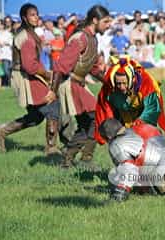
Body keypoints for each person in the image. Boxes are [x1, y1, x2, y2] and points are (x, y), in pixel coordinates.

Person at [0, 3, 60, 155]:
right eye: (32, 15)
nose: (36, 17)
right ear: (24, 17)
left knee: (35, 117)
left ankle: (0, 133)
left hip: (25, 75)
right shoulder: (27, 37)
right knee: (52, 104)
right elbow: (30, 66)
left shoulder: (27, 33)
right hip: (26, 77)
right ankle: (52, 148)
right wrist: (48, 74)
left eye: (37, 14)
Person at [51, 5, 111, 169]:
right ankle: (85, 159)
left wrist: (109, 82)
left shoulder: (92, 38)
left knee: (88, 123)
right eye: (106, 22)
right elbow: (60, 66)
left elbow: (90, 66)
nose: (108, 25)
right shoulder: (80, 38)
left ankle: (67, 160)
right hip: (70, 84)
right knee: (95, 119)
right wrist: (52, 92)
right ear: (95, 20)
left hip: (78, 84)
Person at [95, 56, 165, 145]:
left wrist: (139, 124)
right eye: (118, 83)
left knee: (148, 139)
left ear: (132, 80)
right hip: (124, 115)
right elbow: (104, 109)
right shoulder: (110, 88)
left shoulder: (146, 83)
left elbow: (151, 108)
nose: (121, 87)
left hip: (142, 113)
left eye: (124, 83)